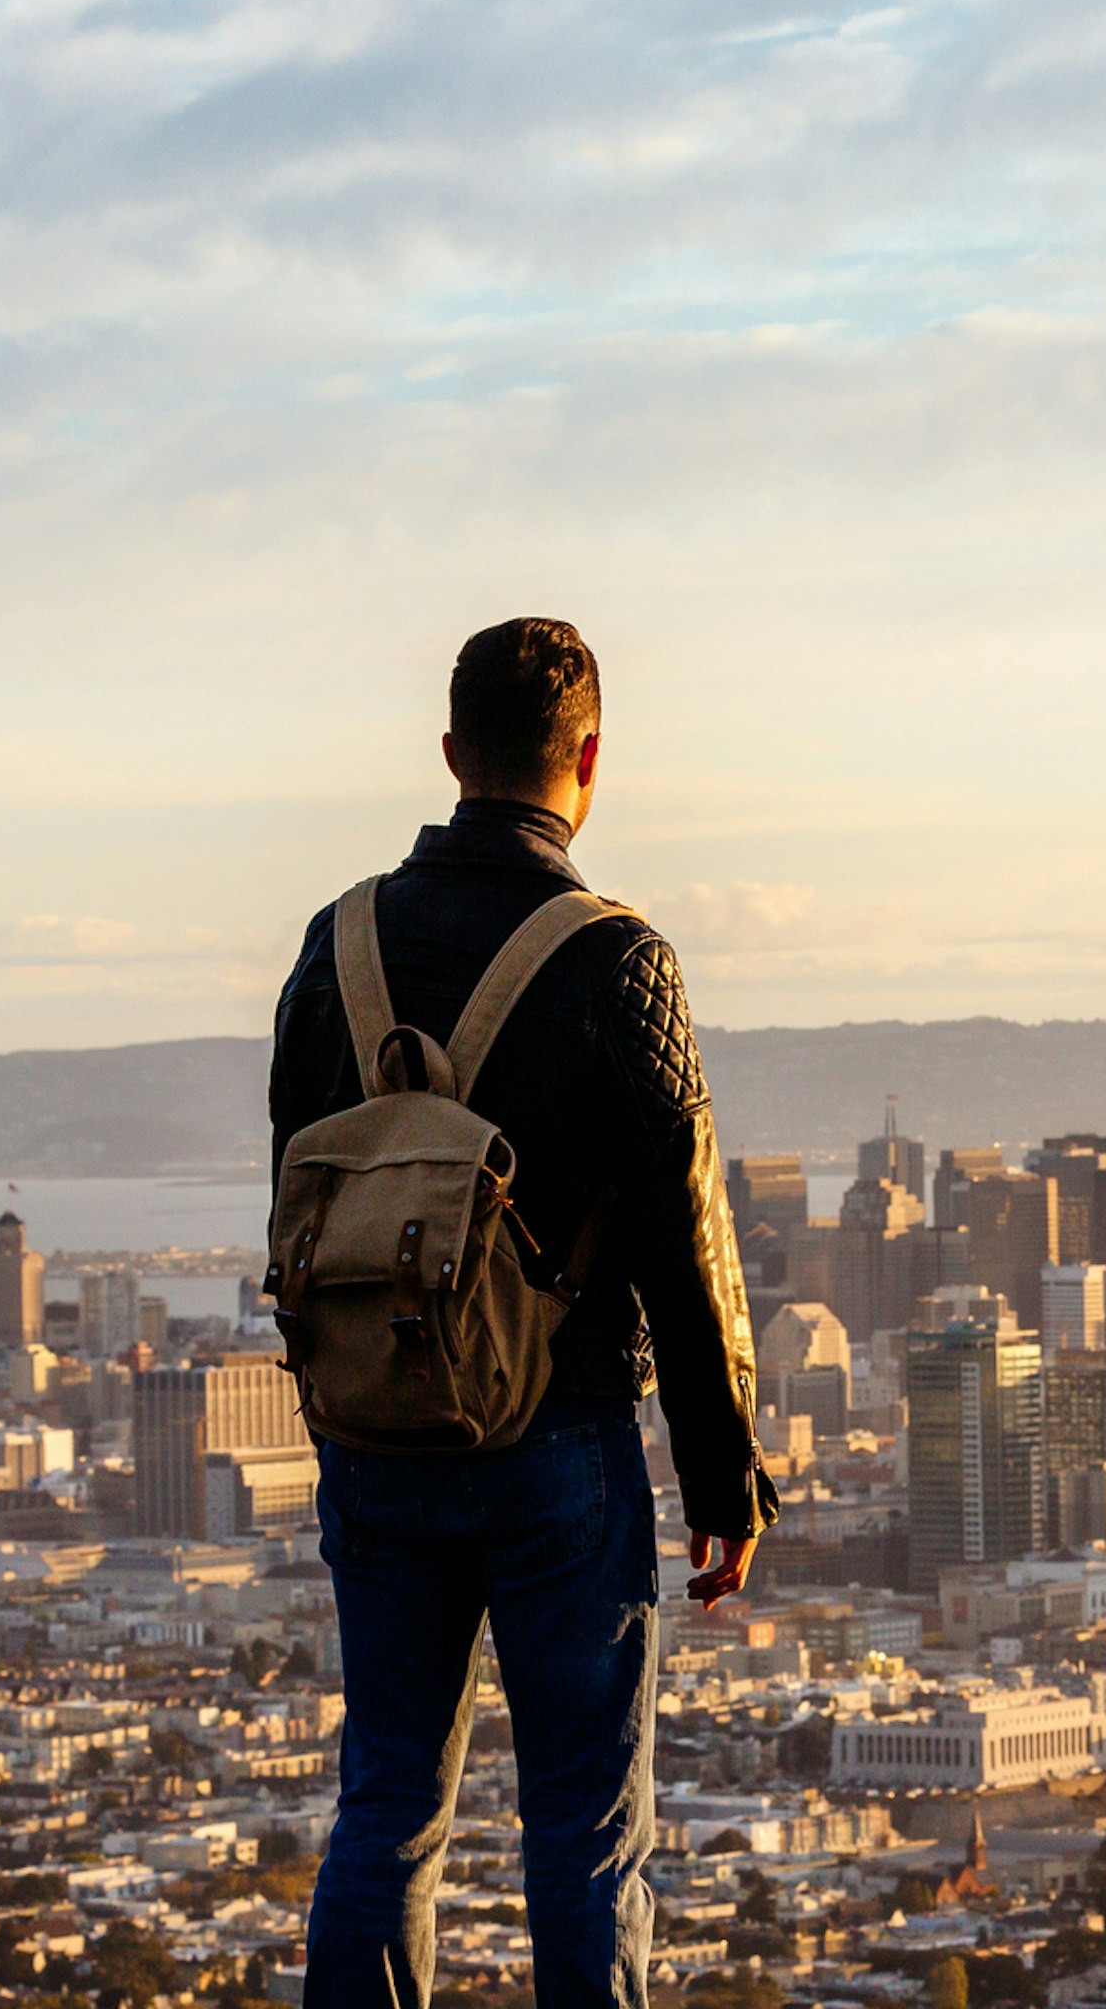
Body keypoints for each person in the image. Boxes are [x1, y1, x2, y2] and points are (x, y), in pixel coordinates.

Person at [273, 615, 773, 2009]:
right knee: (586, 1836)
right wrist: (724, 1475)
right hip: (559, 1441)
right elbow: (686, 1237)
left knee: (384, 1812)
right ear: (592, 762)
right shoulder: (619, 961)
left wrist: (342, 1400)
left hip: (380, 1440)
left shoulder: (338, 945)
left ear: (449, 755)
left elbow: (296, 1199)